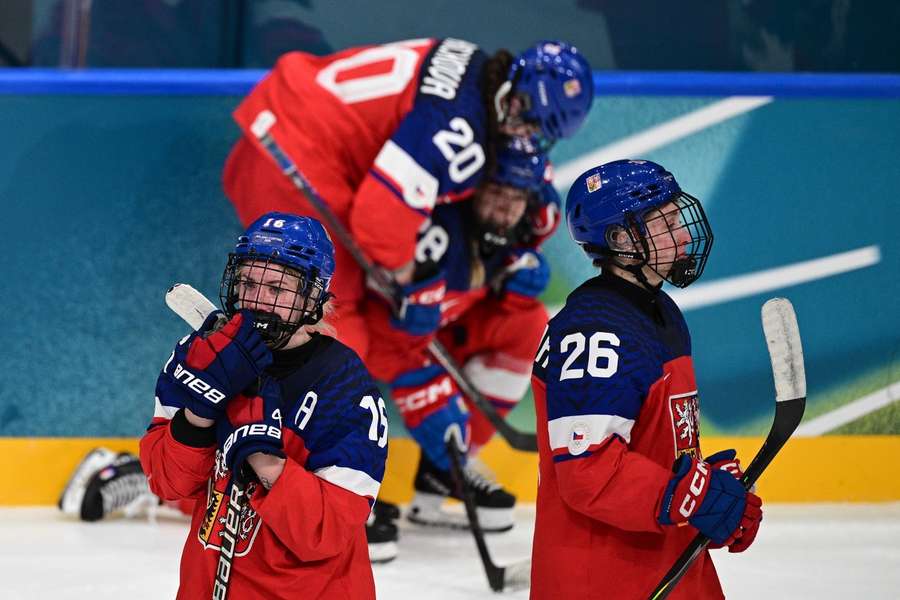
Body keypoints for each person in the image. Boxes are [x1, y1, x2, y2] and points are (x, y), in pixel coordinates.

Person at [222, 38, 593, 362]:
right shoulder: (463, 130)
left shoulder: (475, 63)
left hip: (275, 129)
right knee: (333, 330)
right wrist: (414, 281)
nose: (522, 132)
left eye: (536, 129)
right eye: (524, 112)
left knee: (315, 317)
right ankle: (240, 394)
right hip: (295, 162)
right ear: (515, 87)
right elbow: (379, 221)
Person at [530, 160, 763, 598]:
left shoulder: (658, 311)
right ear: (621, 239)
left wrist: (706, 487)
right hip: (605, 578)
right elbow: (587, 470)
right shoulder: (594, 330)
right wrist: (689, 497)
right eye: (667, 223)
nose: (684, 236)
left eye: (678, 219)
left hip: (667, 563)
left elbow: (656, 442)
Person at [139, 212, 388, 598]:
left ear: (313, 297)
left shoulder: (346, 387)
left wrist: (265, 459)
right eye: (248, 282)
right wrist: (200, 411)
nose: (256, 300)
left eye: (276, 288)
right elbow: (167, 482)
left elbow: (327, 532)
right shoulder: (199, 358)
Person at [362, 138, 558, 532]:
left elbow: (510, 250)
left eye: (517, 197)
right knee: (333, 367)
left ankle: (445, 473)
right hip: (382, 335)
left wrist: (514, 273)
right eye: (497, 193)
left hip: (438, 328)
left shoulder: (535, 215)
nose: (505, 208)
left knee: (529, 322)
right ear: (473, 188)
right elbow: (377, 322)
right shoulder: (436, 231)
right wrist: (421, 388)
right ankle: (340, 488)